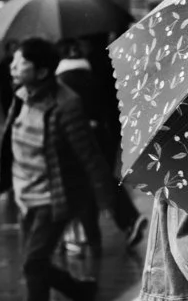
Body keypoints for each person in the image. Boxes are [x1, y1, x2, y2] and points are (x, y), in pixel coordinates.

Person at [0, 36, 119, 301]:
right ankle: (79, 292)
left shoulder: (67, 104)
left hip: (54, 198)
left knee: (33, 262)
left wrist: (108, 200)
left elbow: (88, 153)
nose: (13, 66)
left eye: (21, 62)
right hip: (25, 195)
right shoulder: (21, 96)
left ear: (41, 71)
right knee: (34, 264)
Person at [56, 39, 147, 251]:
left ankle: (98, 233)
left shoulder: (63, 83)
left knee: (87, 183)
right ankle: (127, 221)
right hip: (103, 135)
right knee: (100, 178)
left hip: (80, 139)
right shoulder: (93, 76)